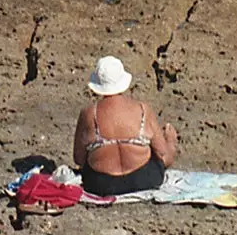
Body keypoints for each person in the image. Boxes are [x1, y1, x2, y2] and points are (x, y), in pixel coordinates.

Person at [73, 56, 178, 198]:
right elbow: (163, 155)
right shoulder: (142, 110)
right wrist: (170, 141)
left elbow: (79, 159)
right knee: (164, 151)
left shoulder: (88, 114)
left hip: (100, 184)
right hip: (144, 180)